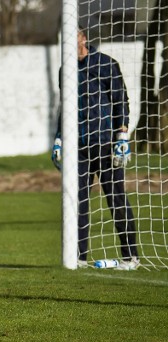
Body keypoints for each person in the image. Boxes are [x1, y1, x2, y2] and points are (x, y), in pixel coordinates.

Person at [51, 27, 139, 270]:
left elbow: (121, 100)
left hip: (106, 143)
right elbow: (64, 107)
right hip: (77, 147)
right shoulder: (64, 70)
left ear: (83, 38)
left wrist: (122, 134)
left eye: (74, 37)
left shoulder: (106, 64)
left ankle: (130, 257)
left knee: (116, 198)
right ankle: (78, 257)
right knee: (76, 202)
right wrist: (59, 138)